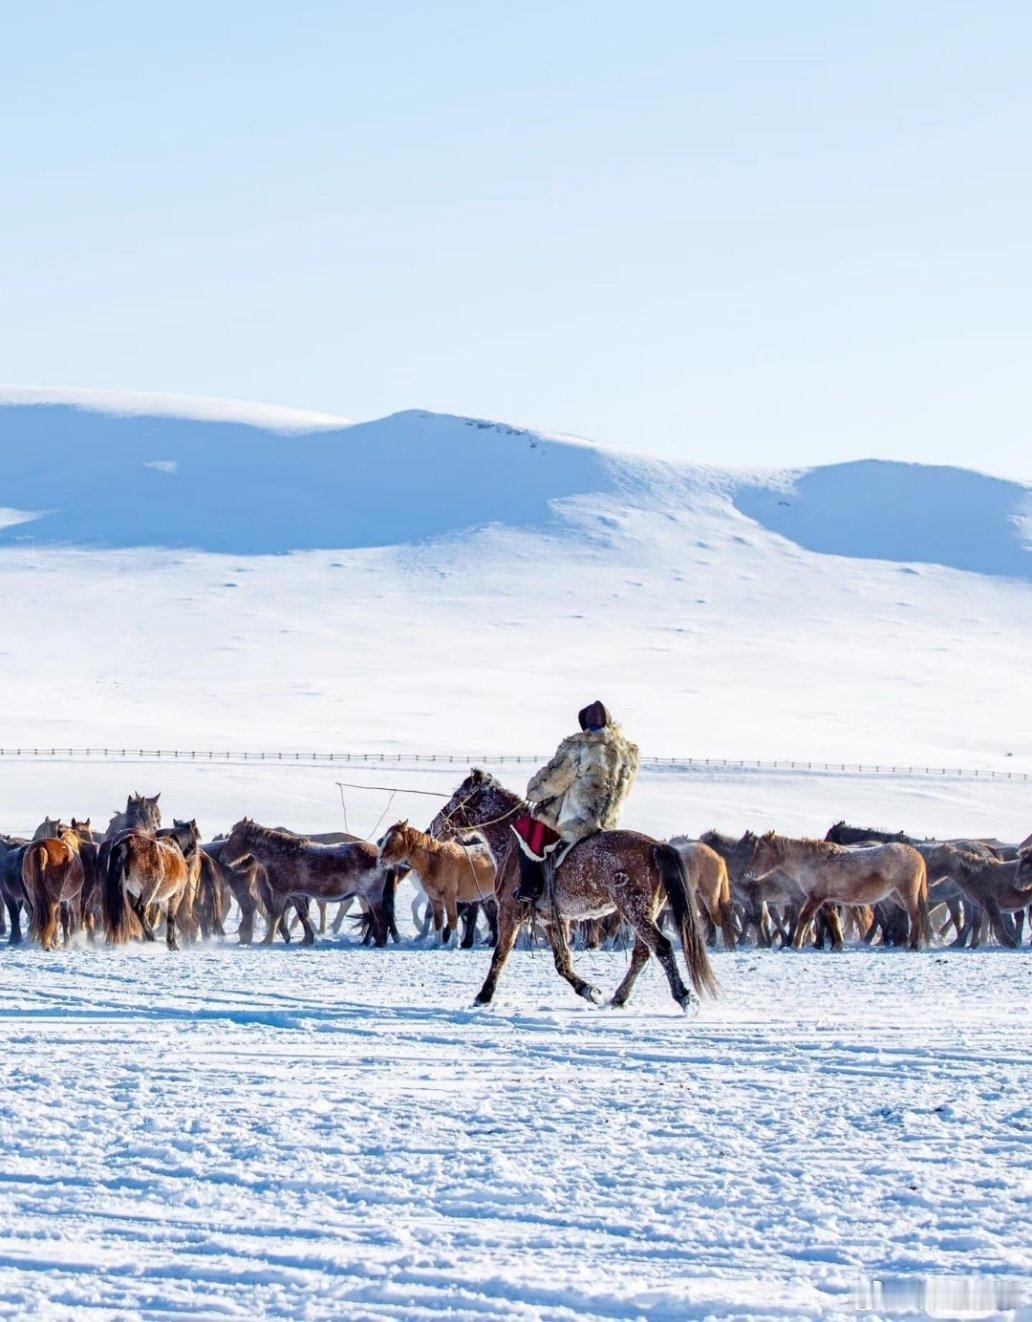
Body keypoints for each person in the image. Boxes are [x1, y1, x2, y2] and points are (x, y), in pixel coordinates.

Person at [513, 700, 640, 904]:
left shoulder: (579, 747)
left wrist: (534, 791)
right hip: (609, 823)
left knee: (529, 832)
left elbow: (554, 781)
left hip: (578, 822)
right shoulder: (627, 753)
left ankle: (532, 889)